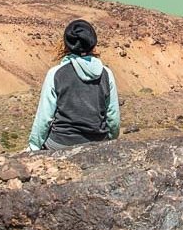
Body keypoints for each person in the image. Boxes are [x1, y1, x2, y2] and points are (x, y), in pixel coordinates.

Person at [27, 19, 120, 151]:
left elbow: (44, 118)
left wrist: (34, 147)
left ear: (67, 44)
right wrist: (110, 139)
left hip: (60, 143)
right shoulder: (106, 74)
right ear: (92, 44)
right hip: (97, 142)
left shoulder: (55, 74)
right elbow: (113, 117)